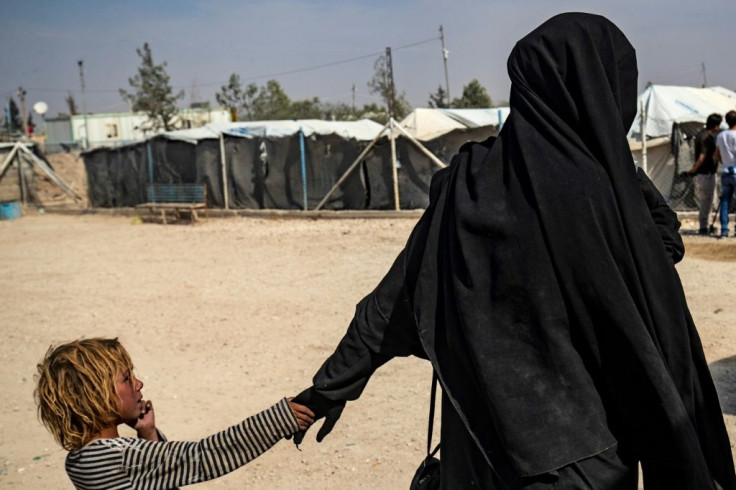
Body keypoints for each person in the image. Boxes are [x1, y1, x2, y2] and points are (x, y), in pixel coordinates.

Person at [293, 13, 736, 489]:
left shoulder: (469, 183)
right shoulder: (608, 192)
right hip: (585, 464)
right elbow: (665, 242)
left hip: (477, 454)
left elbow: (388, 305)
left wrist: (323, 394)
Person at [34, 338, 314, 489]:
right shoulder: (118, 456)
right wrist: (278, 419)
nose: (139, 384)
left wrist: (148, 434)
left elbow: (156, 475)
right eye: (126, 379)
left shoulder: (78, 460)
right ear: (96, 397)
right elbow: (202, 456)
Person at [687, 113, 722, 234]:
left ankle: (706, 225)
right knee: (706, 201)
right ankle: (703, 227)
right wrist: (693, 170)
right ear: (715, 126)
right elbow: (701, 158)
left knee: (710, 200)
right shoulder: (705, 138)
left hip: (707, 173)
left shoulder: (703, 135)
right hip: (705, 174)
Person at [715, 110, 736, 237]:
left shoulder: (721, 135)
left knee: (725, 201)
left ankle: (724, 229)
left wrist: (725, 162)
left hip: (725, 171)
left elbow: (717, 154)